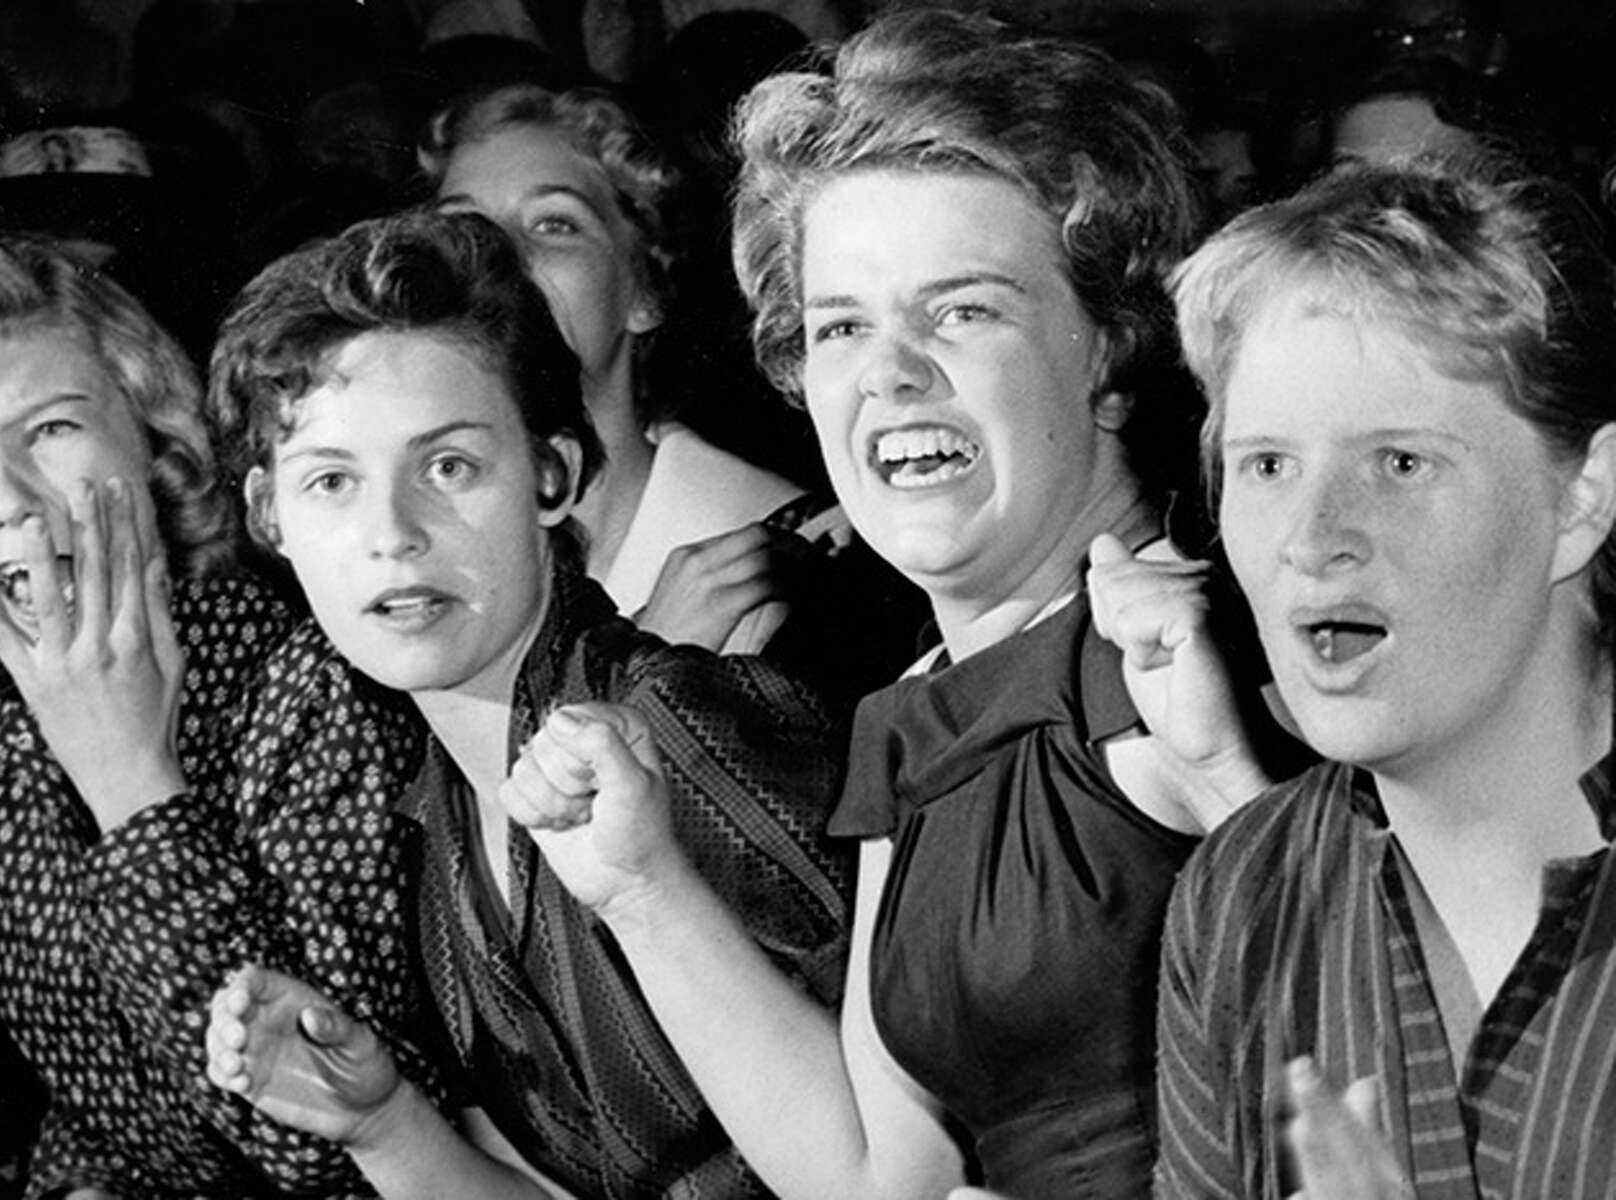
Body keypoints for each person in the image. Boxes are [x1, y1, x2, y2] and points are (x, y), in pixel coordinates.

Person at [495, 11, 1275, 1199]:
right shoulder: (909, 713)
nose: (890, 371)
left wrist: (1232, 786)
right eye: (842, 325)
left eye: (963, 310)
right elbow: (870, 1176)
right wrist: (642, 885)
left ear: (1109, 344)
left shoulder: (1188, 657)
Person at [191, 209, 851, 1198]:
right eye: (331, 481)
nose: (392, 533)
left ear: (552, 474)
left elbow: (906, 1162)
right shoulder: (440, 826)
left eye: (448, 467)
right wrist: (384, 1126)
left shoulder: (681, 724)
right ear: (269, 517)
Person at [0, 236, 358, 1197]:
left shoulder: (311, 687)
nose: (9, 508)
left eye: (51, 431)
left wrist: (132, 790)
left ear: (154, 439)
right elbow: (104, 1087)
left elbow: (334, 1145)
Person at [1154, 156, 1616, 1198]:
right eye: (1268, 466)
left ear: (1584, 499)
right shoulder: (1246, 894)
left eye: (1400, 463)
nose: (1313, 542)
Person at [421, 81, 928, 698]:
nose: (497, 257)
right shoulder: (418, 556)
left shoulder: (799, 559)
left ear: (643, 292)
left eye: (554, 224)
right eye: (464, 228)